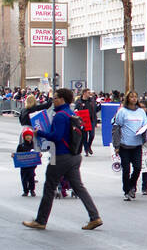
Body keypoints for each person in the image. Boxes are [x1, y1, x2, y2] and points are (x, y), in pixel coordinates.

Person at [22, 88, 102, 232]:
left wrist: (38, 132)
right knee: (79, 187)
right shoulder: (71, 113)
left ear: (62, 99)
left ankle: (41, 220)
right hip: (74, 156)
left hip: (59, 156)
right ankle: (94, 216)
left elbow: (56, 137)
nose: (53, 100)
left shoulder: (60, 116)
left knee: (49, 188)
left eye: (55, 98)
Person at [111, 91, 147, 201]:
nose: (133, 99)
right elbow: (116, 127)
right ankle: (126, 190)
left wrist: (146, 130)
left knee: (137, 168)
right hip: (124, 145)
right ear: (127, 98)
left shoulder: (141, 112)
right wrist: (116, 145)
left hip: (137, 144)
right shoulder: (122, 111)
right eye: (131, 97)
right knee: (126, 169)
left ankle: (132, 185)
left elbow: (145, 125)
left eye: (135, 97)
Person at [14, 126, 37, 197]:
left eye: (29, 135)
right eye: (26, 135)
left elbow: (37, 154)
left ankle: (32, 190)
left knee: (31, 178)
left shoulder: (34, 145)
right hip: (23, 166)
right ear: (24, 137)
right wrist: (14, 156)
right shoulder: (21, 146)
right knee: (24, 178)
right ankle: (25, 191)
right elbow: (17, 155)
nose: (28, 137)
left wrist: (39, 155)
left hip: (31, 165)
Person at [76, 88, 98, 155]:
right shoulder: (79, 101)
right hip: (83, 121)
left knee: (92, 135)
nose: (90, 94)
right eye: (88, 92)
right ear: (84, 93)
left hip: (91, 120)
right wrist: (76, 111)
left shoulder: (91, 100)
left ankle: (89, 146)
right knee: (84, 136)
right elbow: (76, 108)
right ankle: (86, 150)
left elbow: (95, 109)